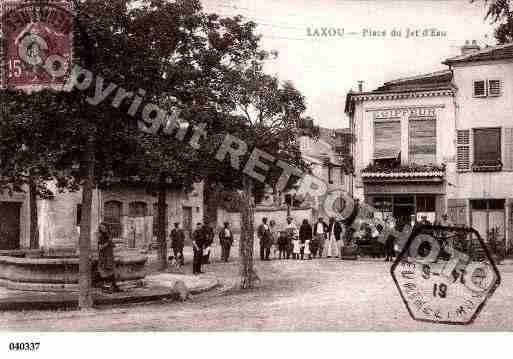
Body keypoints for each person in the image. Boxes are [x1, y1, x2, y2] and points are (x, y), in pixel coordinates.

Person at [97, 223, 121, 293]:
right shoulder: (100, 236)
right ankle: (108, 288)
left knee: (111, 270)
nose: (103, 229)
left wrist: (111, 242)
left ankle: (113, 287)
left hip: (109, 255)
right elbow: (100, 247)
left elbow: (113, 245)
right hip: (104, 256)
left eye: (104, 227)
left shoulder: (108, 235)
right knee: (106, 271)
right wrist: (108, 242)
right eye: (101, 228)